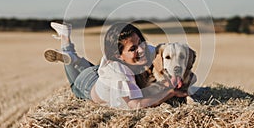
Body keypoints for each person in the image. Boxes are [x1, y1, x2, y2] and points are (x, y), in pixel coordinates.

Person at [44, 22, 188, 109]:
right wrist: (170, 93)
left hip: (98, 72)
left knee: (87, 68)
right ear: (118, 56)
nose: (141, 49)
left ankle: (73, 56)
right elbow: (135, 105)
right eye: (133, 49)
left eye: (141, 43)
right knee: (74, 84)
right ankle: (66, 44)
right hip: (87, 84)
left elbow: (167, 54)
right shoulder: (118, 72)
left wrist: (175, 75)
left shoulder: (146, 50)